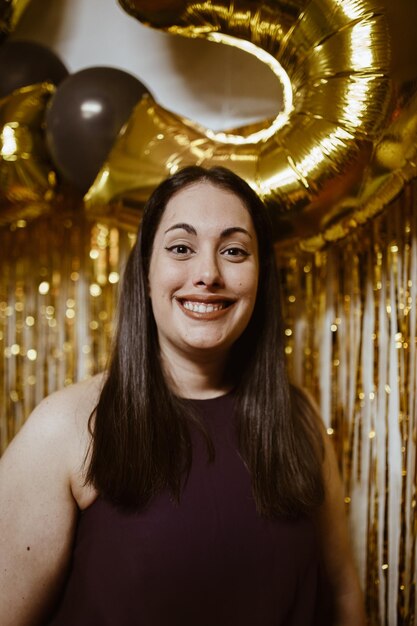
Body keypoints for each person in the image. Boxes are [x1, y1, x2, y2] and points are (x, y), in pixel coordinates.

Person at [0, 166, 366, 625]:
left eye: (234, 251)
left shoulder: (300, 418)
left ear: (260, 278)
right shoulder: (65, 427)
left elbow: (343, 594)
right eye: (180, 248)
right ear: (146, 273)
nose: (208, 274)